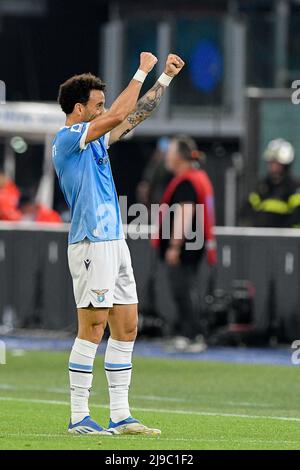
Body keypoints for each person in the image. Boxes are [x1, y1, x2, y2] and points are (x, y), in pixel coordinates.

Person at [52, 52, 185, 435]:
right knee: (92, 329)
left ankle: (120, 415)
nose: (105, 109)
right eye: (98, 104)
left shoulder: (95, 140)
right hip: (91, 242)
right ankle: (79, 416)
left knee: (126, 327)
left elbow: (134, 114)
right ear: (79, 109)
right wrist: (141, 70)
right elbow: (118, 113)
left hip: (114, 241)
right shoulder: (68, 140)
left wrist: (164, 79)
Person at [152, 136, 217, 352]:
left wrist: (174, 245)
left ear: (179, 157)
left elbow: (184, 213)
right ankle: (187, 333)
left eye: (170, 153)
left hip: (185, 248)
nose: (167, 158)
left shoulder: (187, 181)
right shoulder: (197, 177)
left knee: (184, 291)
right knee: (184, 290)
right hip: (193, 246)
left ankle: (193, 335)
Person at [241, 139, 300, 227]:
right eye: (271, 163)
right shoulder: (262, 186)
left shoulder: (293, 188)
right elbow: (246, 209)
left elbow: (297, 216)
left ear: (285, 165)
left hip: (286, 238)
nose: (273, 167)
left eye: (276, 163)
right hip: (261, 237)